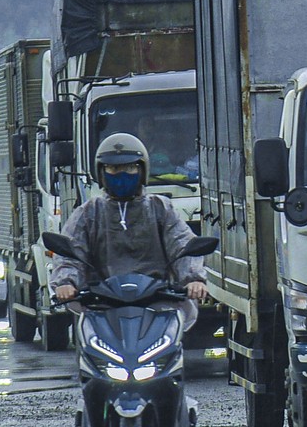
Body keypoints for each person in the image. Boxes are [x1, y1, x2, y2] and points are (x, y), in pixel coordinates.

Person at [50, 133, 208, 323]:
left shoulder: (160, 208)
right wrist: (66, 282)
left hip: (157, 304)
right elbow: (71, 251)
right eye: (114, 168)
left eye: (130, 167)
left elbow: (182, 243)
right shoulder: (89, 212)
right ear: (101, 172)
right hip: (101, 306)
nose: (121, 174)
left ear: (142, 170)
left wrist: (193, 279)